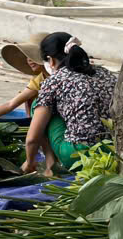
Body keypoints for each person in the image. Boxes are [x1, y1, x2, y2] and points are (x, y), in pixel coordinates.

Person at [24, 32, 116, 175]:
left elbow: (32, 139)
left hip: (78, 156)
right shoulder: (104, 72)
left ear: (51, 60)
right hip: (114, 151)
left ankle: (51, 164)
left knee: (38, 104)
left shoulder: (54, 81)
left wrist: (29, 163)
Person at [0, 36, 47, 121]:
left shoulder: (60, 76)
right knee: (29, 98)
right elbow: (10, 104)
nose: (29, 60)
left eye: (33, 55)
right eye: (27, 56)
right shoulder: (39, 79)